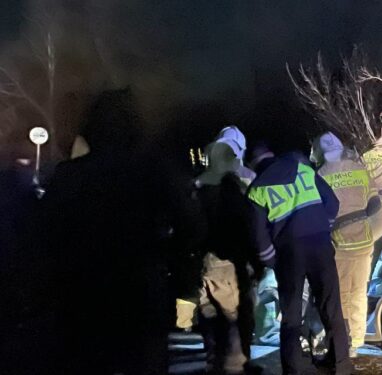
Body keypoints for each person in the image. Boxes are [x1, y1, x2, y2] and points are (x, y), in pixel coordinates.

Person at [40, 89, 171, 374]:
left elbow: (42, 237)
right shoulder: (152, 172)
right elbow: (191, 227)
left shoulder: (67, 177)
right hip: (140, 298)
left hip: (82, 300)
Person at [246, 143, 353, 375]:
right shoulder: (303, 170)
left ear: (254, 166)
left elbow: (259, 237)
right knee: (331, 306)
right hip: (320, 246)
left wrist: (272, 262)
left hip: (289, 254)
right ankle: (341, 364)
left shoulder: (256, 190)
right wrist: (322, 228)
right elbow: (332, 203)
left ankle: (294, 367)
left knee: (292, 315)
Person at [175, 133, 264, 375]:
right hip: (228, 264)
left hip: (201, 263)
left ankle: (213, 363)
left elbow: (185, 226)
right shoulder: (232, 188)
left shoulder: (196, 186)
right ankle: (236, 364)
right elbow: (248, 226)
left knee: (209, 318)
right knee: (235, 317)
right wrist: (257, 261)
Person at [311, 132, 381, 357]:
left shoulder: (320, 174)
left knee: (340, 294)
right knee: (359, 291)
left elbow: (318, 214)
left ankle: (343, 341)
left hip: (338, 243)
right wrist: (358, 216)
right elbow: (375, 205)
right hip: (364, 240)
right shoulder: (358, 168)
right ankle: (357, 339)